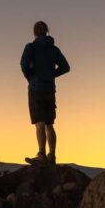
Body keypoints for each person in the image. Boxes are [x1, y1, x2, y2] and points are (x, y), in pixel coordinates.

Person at [20, 21, 70, 164]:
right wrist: (52, 75)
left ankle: (41, 154)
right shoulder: (54, 49)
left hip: (36, 88)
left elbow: (23, 65)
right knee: (49, 123)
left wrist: (31, 77)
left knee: (39, 122)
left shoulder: (30, 47)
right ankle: (52, 155)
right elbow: (66, 67)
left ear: (34, 32)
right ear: (46, 31)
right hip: (49, 89)